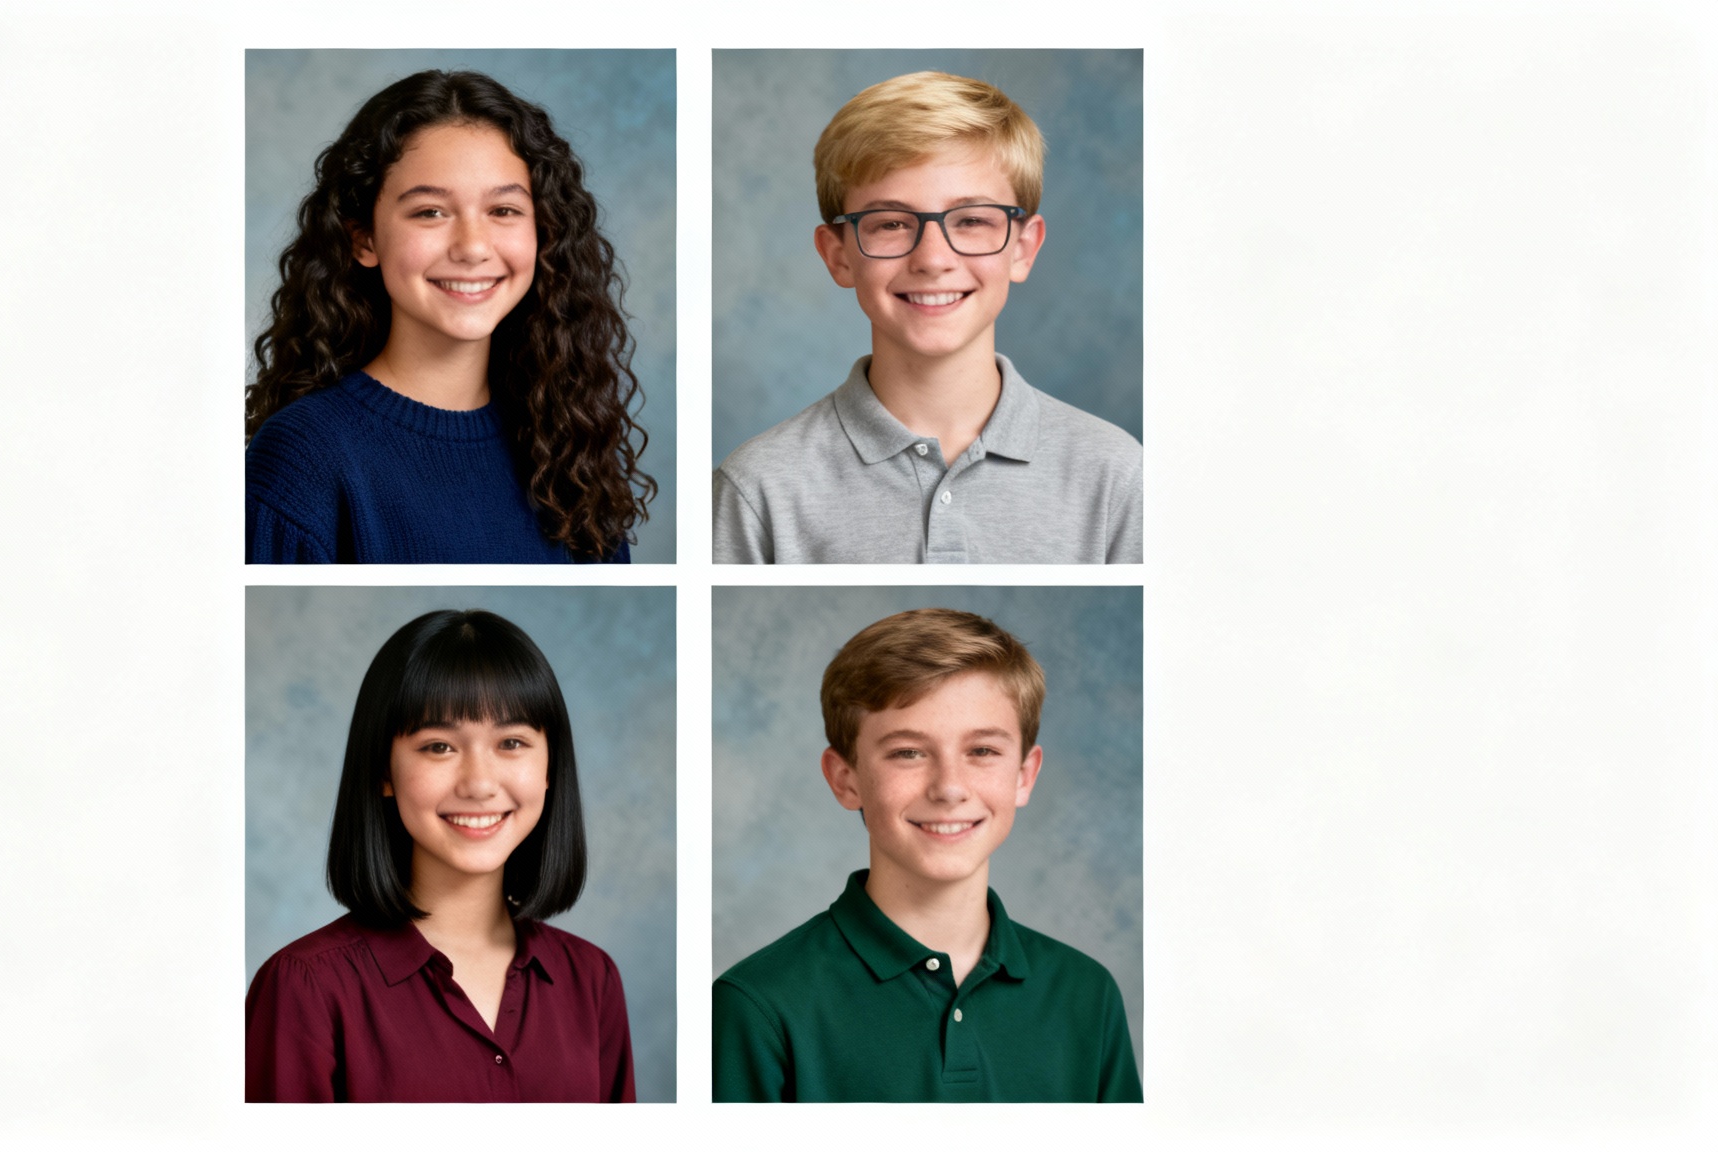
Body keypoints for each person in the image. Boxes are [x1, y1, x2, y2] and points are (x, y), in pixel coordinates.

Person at [712, 71, 1142, 564]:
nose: (933, 259)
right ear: (838, 256)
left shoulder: (1117, 473)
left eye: (973, 220)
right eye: (892, 224)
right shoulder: (758, 488)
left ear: (1023, 249)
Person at [712, 608, 1140, 1102]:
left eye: (981, 751)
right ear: (845, 779)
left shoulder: (1087, 995)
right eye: (908, 753)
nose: (949, 788)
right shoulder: (760, 1006)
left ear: (1024, 775)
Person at [246, 70, 654, 563]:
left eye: (503, 210)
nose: (472, 248)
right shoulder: (304, 457)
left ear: (543, 232)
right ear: (364, 239)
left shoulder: (569, 448)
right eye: (430, 213)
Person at [246, 609, 635, 1102]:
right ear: (383, 770)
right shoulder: (304, 987)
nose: (478, 784)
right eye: (438, 747)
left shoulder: (592, 979)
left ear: (549, 768)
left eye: (512, 742)